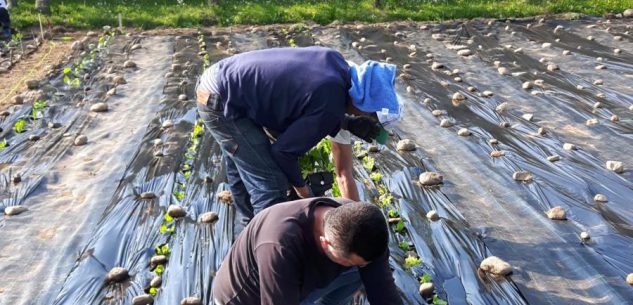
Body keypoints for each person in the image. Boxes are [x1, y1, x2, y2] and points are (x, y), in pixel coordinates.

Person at [196, 46, 400, 226]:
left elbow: (304, 102)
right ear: (361, 100)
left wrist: (347, 122)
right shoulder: (330, 104)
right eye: (367, 113)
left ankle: (248, 234)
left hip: (222, 80)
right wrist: (303, 191)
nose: (363, 115)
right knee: (271, 184)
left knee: (244, 173)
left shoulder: (335, 63)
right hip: (222, 102)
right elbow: (283, 152)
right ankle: (266, 253)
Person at [211, 197, 403, 305]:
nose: (357, 265)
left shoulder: (363, 226)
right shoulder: (280, 245)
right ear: (325, 243)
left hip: (300, 284)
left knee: (359, 273)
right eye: (348, 260)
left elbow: (384, 292)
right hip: (248, 298)